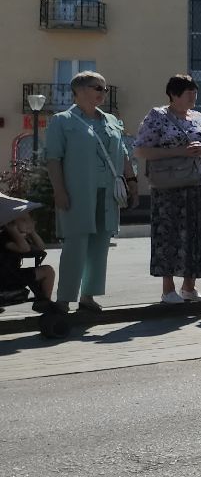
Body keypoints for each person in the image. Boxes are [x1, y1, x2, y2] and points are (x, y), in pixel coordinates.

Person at [43, 71, 134, 309]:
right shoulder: (61, 121)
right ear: (80, 90)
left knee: (100, 245)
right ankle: (64, 299)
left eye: (104, 89)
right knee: (75, 245)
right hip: (77, 192)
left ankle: (88, 297)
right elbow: (53, 159)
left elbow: (123, 153)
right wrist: (59, 191)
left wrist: (132, 180)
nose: (103, 93)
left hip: (108, 194)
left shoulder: (111, 121)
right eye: (98, 88)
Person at [131, 74, 201, 303]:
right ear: (173, 94)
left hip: (199, 185)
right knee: (169, 234)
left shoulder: (200, 118)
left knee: (198, 235)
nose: (193, 96)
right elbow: (141, 150)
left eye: (194, 92)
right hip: (169, 187)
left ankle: (189, 287)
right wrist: (179, 151)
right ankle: (168, 289)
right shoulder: (158, 116)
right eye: (187, 92)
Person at [3, 194, 65, 335]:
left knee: (48, 270)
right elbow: (24, 249)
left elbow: (41, 248)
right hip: (7, 278)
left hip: (14, 275)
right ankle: (44, 300)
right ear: (12, 222)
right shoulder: (5, 238)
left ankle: (44, 300)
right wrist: (13, 231)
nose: (29, 222)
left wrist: (33, 232)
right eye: (24, 220)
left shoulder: (18, 236)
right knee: (47, 271)